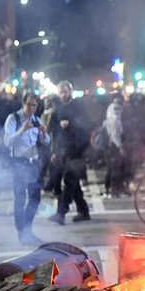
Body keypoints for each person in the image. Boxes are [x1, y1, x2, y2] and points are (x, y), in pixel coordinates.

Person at [3, 92, 50, 245]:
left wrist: (43, 132)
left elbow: (46, 142)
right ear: (23, 104)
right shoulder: (14, 119)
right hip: (18, 164)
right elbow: (7, 142)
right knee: (20, 198)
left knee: (35, 198)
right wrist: (22, 130)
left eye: (34, 105)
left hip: (33, 163)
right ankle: (22, 233)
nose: (31, 108)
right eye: (28, 105)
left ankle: (27, 229)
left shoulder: (36, 119)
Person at [48, 81, 91, 225]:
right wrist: (55, 151)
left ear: (70, 91)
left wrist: (70, 124)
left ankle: (61, 213)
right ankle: (84, 211)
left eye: (65, 91)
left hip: (78, 150)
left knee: (69, 180)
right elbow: (54, 131)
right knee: (74, 184)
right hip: (65, 151)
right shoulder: (58, 110)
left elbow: (85, 126)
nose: (63, 94)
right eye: (61, 92)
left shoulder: (79, 107)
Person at [102, 102, 128, 197]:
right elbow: (114, 136)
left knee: (110, 169)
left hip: (109, 148)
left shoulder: (108, 119)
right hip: (113, 148)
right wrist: (120, 148)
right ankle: (113, 190)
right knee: (114, 169)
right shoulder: (114, 120)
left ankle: (108, 189)